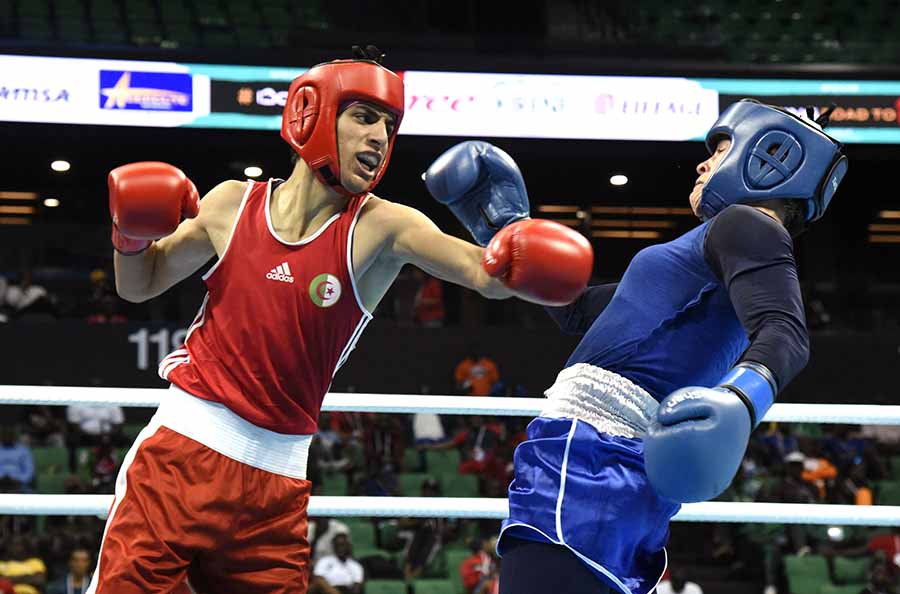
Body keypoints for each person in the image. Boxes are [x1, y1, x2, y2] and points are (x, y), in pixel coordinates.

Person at [91, 45, 592, 593]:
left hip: (276, 484)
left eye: (388, 124)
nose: (379, 136)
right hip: (179, 457)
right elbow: (138, 285)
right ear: (310, 114)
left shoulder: (383, 227)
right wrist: (129, 237)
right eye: (363, 116)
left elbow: (487, 277)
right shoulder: (231, 204)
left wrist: (509, 231)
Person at [423, 100, 848, 594]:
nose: (703, 163)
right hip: (610, 461)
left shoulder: (745, 225)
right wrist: (506, 229)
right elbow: (580, 313)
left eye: (722, 149)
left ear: (768, 158)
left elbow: (786, 332)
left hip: (593, 454)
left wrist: (739, 400)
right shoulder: (717, 245)